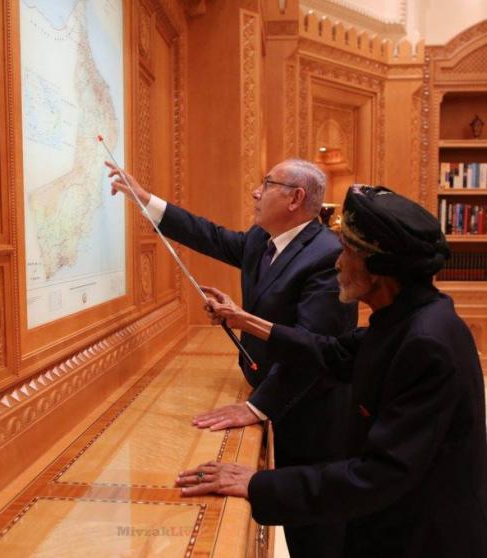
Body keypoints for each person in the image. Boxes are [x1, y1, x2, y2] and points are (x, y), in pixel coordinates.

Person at [177, 184, 487, 558]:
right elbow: (335, 353)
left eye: (347, 251)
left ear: (378, 268)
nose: (338, 263)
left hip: (422, 539)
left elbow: (380, 475)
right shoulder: (407, 317)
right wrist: (245, 320)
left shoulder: (425, 343)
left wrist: (260, 484)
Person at [107, 159, 357, 558]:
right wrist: (146, 199)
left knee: (314, 528)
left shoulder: (326, 256)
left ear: (295, 198)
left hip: (313, 414)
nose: (256, 192)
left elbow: (314, 349)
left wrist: (255, 407)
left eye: (267, 184)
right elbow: (210, 236)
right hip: (274, 391)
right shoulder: (261, 239)